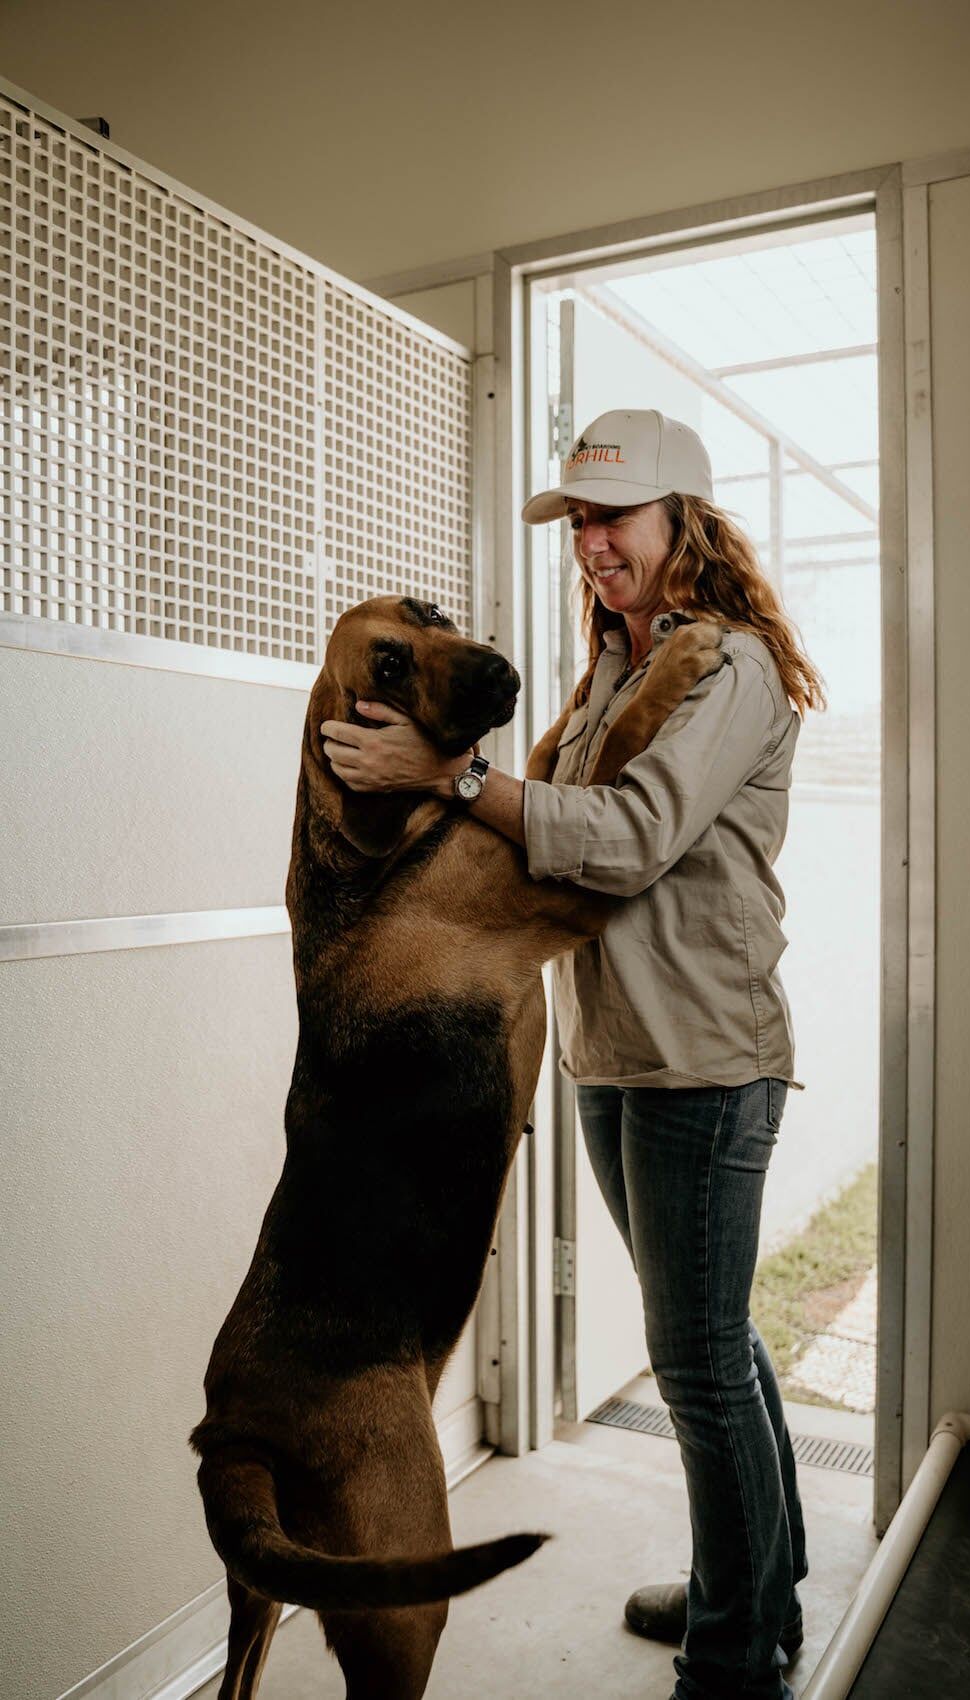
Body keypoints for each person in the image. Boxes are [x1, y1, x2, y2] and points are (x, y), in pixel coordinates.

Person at [320, 408, 827, 1700]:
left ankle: (738, 1653)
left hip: (706, 1060)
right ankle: (755, 1582)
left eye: (615, 519)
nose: (592, 544)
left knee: (699, 1358)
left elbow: (625, 836)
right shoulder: (618, 661)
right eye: (580, 523)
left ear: (684, 524)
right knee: (715, 1344)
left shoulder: (731, 669)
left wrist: (442, 777)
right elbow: (551, 822)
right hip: (621, 1051)